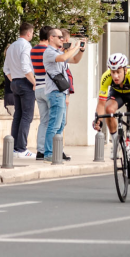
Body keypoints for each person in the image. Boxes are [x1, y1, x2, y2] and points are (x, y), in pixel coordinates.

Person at [95, 53, 130, 191]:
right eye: (113, 72)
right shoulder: (106, 77)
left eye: (118, 72)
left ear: (124, 70)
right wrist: (98, 119)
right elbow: (101, 104)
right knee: (109, 109)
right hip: (118, 93)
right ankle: (116, 142)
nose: (115, 76)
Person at [41, 27, 82, 161]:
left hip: (61, 93)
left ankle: (57, 151)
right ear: (51, 38)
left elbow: (75, 60)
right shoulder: (49, 52)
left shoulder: (57, 52)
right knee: (54, 124)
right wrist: (75, 47)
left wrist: (81, 50)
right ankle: (48, 153)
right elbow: (64, 57)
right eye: (59, 37)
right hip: (55, 92)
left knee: (61, 123)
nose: (62, 39)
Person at [3, 22, 36, 157]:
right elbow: (25, 67)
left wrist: (14, 80)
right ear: (28, 33)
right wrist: (34, 82)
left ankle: (14, 147)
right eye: (32, 33)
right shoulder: (26, 46)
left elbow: (6, 69)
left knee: (18, 115)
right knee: (27, 116)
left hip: (15, 82)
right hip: (25, 82)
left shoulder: (11, 47)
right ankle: (21, 148)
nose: (32, 35)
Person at [32, 26, 53, 160]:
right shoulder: (48, 51)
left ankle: (40, 150)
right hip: (48, 87)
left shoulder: (32, 50)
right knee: (54, 121)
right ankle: (51, 150)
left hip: (38, 87)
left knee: (43, 121)